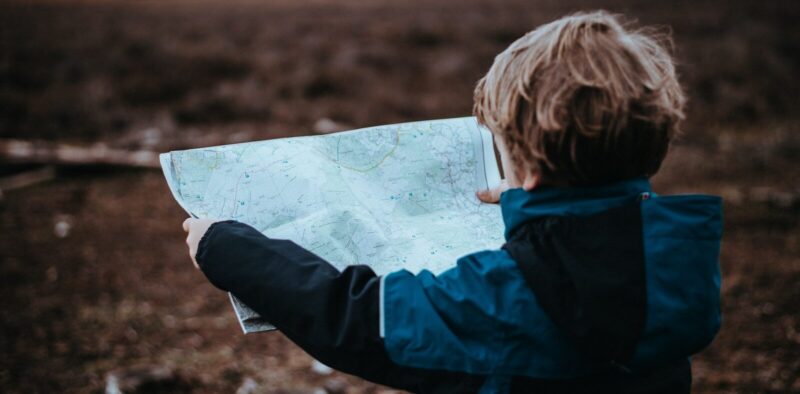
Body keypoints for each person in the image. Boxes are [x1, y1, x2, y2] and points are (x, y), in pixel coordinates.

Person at [182, 11, 722, 393]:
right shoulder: (680, 261)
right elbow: (596, 243)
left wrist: (228, 248)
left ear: (528, 166)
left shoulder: (507, 293)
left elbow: (359, 320)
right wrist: (535, 204)